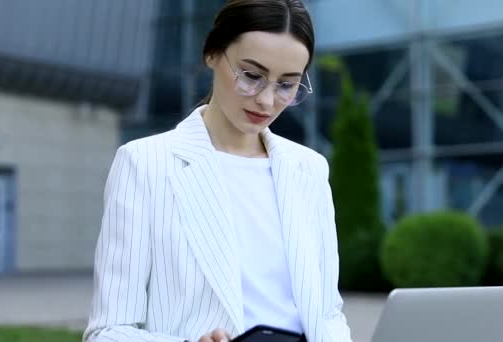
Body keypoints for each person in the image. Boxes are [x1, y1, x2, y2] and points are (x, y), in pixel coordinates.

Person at [83, 0, 352, 341]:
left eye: (286, 85)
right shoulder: (145, 164)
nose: (266, 101)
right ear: (212, 54)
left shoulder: (309, 169)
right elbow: (107, 332)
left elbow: (328, 313)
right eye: (251, 76)